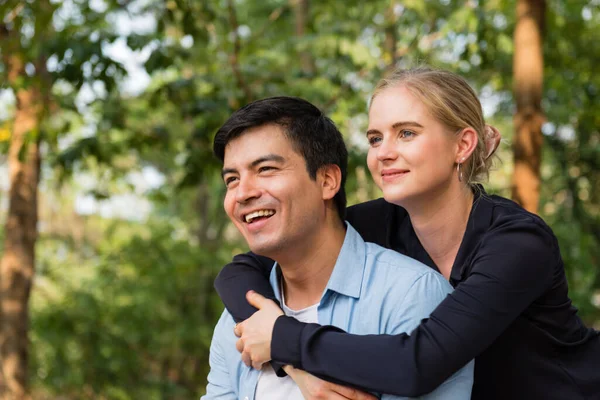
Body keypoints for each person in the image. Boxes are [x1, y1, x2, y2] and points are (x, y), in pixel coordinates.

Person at [216, 67, 600, 400]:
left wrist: (284, 338)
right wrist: (289, 361)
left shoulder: (517, 242)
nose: (383, 152)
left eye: (406, 133)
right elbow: (239, 271)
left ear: (462, 145)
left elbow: (420, 362)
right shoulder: (381, 223)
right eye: (375, 138)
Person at [202, 96, 474, 400]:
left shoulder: (411, 296)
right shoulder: (239, 319)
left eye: (265, 169)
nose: (242, 193)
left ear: (327, 180)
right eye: (232, 179)